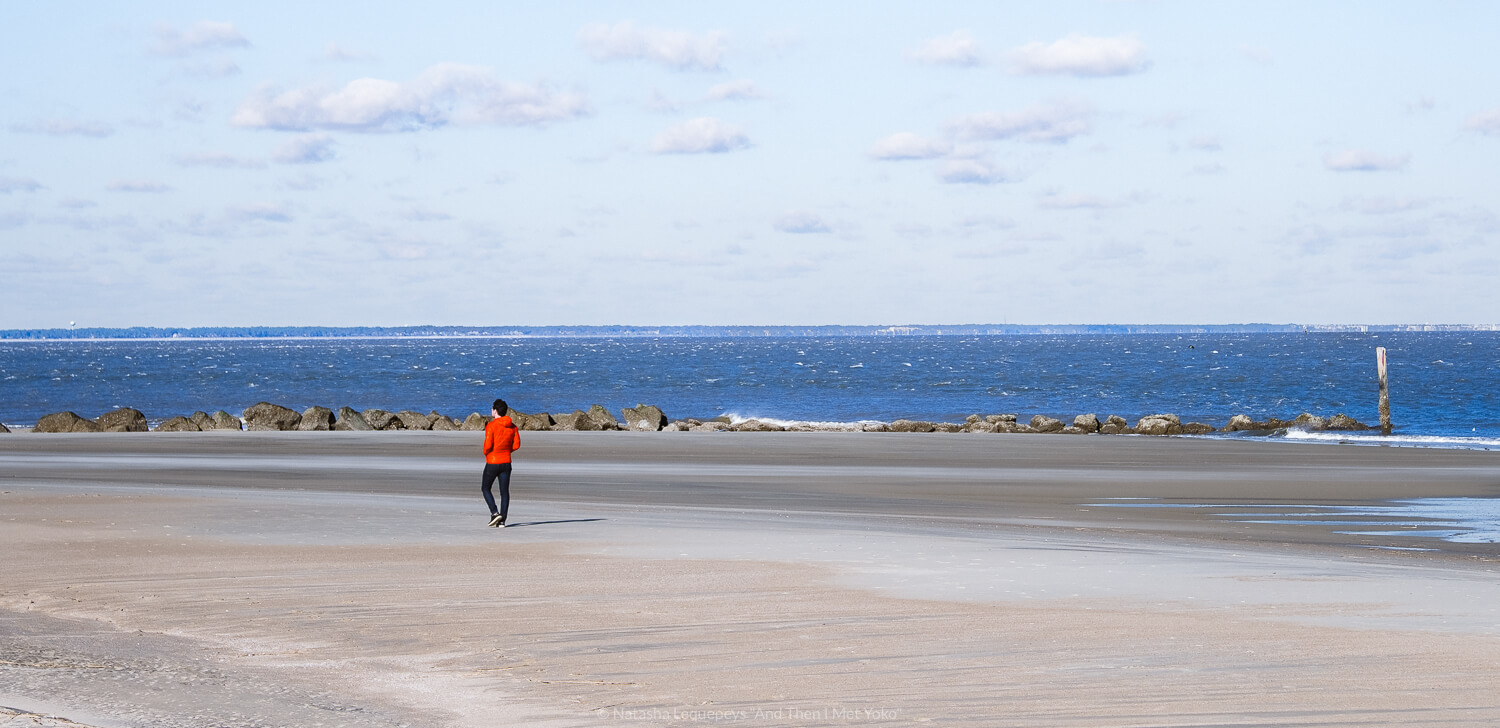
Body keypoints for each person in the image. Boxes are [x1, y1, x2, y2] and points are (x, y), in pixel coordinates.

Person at [482, 398, 520, 527]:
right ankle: (502, 520)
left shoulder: (491, 425)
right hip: (506, 462)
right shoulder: (512, 426)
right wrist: (506, 451)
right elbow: (516, 445)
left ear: (495, 411)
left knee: (485, 488)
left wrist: (486, 453)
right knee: (504, 491)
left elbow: (487, 445)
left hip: (493, 461)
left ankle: (494, 513)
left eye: (492, 409)